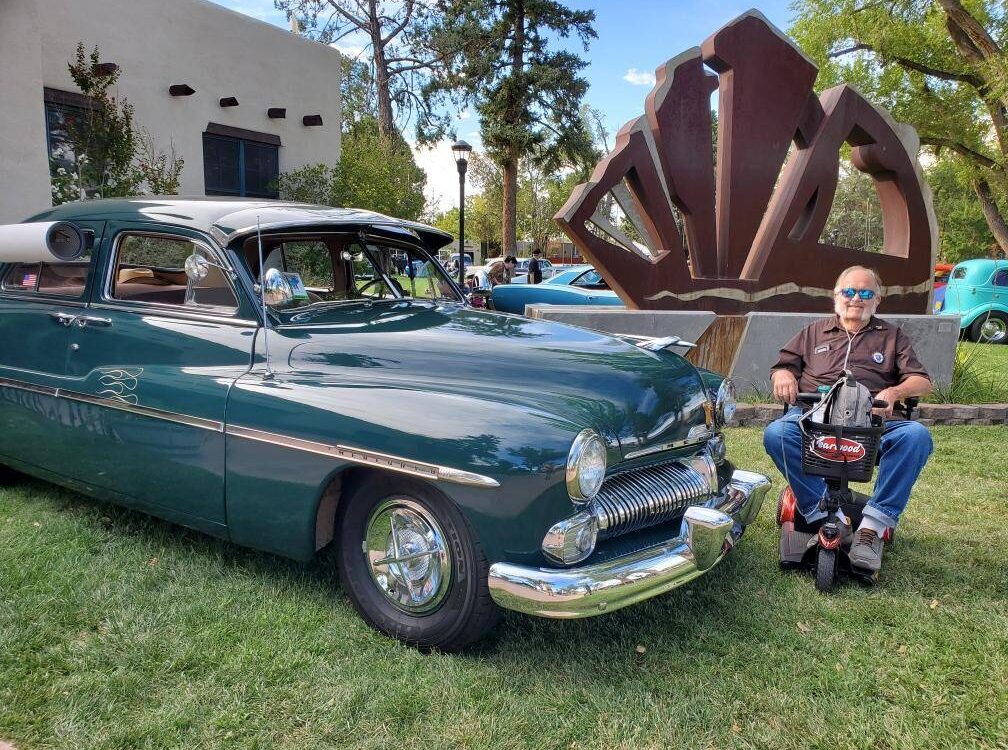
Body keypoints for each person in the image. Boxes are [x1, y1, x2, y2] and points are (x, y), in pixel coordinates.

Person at [763, 265, 934, 571]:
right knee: (777, 433)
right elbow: (783, 366)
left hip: (873, 424)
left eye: (866, 293)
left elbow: (922, 381)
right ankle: (825, 516)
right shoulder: (813, 332)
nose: (857, 298)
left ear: (877, 300)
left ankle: (871, 528)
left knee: (916, 437)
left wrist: (893, 394)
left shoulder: (892, 337)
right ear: (836, 295)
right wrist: (783, 376)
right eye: (849, 291)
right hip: (814, 419)